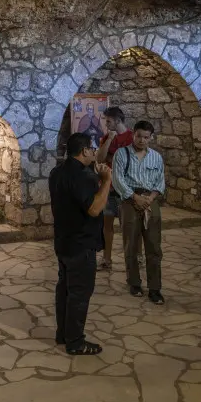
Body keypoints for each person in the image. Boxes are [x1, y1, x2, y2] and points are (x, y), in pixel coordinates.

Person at [49, 132, 113, 355]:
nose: (95, 152)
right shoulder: (83, 177)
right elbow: (95, 208)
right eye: (92, 149)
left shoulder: (56, 173)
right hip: (81, 244)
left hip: (63, 241)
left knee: (65, 289)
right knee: (79, 293)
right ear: (84, 151)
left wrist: (93, 177)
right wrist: (106, 181)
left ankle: (63, 333)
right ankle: (75, 341)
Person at [112, 120, 166, 304]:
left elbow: (160, 182)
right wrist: (135, 198)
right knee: (131, 245)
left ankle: (155, 288)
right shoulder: (121, 154)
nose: (142, 140)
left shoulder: (156, 157)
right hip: (129, 201)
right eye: (138, 136)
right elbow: (118, 179)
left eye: (146, 137)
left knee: (154, 246)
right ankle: (134, 282)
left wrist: (149, 199)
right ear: (133, 134)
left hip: (150, 201)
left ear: (151, 137)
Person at [95, 107, 134, 271]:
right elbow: (100, 158)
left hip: (126, 188)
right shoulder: (106, 137)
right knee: (107, 225)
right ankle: (107, 259)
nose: (106, 123)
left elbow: (130, 160)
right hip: (109, 188)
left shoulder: (132, 137)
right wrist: (110, 140)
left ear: (118, 120)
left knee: (130, 226)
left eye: (108, 121)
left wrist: (113, 157)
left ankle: (134, 258)